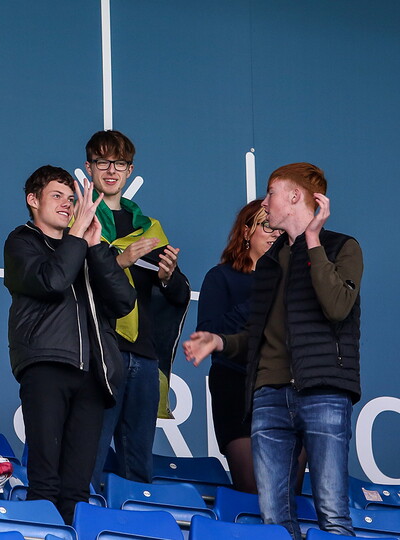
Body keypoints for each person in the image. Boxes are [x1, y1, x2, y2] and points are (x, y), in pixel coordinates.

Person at [184, 163, 362, 539]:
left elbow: (336, 306)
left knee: (332, 513)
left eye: (272, 193)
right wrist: (220, 341)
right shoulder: (269, 262)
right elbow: (258, 331)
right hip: (269, 395)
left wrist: (311, 242)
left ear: (295, 197)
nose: (266, 202)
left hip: (323, 391)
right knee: (274, 518)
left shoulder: (343, 247)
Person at [3, 165, 135, 524]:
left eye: (72, 199)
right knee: (45, 481)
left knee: (77, 490)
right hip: (47, 365)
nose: (67, 204)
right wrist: (78, 238)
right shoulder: (21, 241)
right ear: (33, 201)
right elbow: (53, 280)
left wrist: (95, 249)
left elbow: (124, 301)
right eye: (57, 196)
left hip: (94, 372)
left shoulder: (87, 244)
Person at [86, 130, 191, 486]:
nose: (111, 170)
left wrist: (167, 275)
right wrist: (119, 261)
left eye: (119, 163)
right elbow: (70, 279)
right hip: (101, 346)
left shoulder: (150, 228)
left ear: (130, 170)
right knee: (90, 455)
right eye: (103, 162)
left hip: (144, 355)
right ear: (89, 168)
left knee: (138, 463)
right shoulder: (79, 220)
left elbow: (176, 294)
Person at [196, 199, 281, 493]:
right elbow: (210, 335)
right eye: (267, 225)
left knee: (286, 498)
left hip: (284, 390)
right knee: (251, 491)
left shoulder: (294, 282)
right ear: (246, 232)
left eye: (281, 228)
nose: (274, 234)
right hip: (235, 386)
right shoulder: (221, 277)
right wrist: (263, 294)